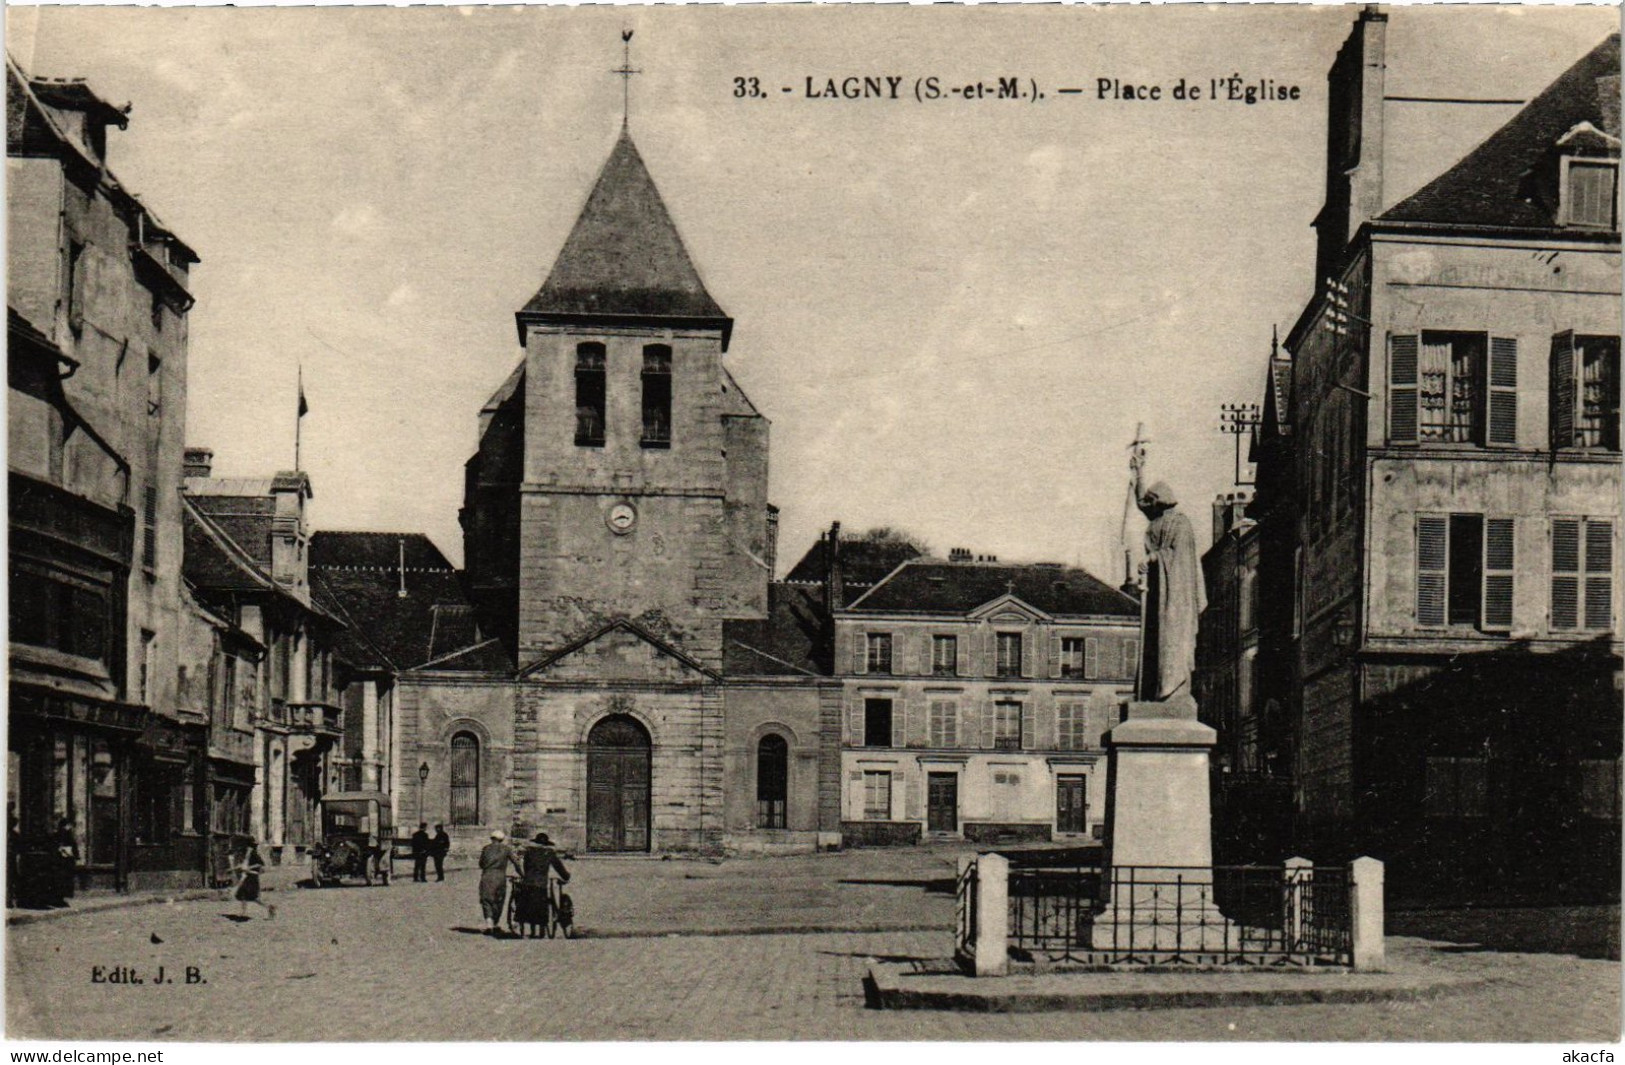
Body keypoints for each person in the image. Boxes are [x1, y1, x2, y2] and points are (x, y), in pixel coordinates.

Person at [1135, 479, 1206, 702]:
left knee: (1171, 637)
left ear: (1161, 501)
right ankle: (1155, 688)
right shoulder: (1157, 519)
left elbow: (1180, 557)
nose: (1148, 506)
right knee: (1154, 640)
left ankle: (1172, 688)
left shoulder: (1180, 524)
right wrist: (1139, 472)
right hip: (1158, 591)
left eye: (1152, 501)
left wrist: (1154, 557)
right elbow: (1140, 503)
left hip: (1175, 595)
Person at [513, 832, 569, 938]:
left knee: (528, 903)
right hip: (541, 883)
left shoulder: (529, 852)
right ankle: (541, 930)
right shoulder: (549, 853)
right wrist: (566, 876)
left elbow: (526, 866)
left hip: (528, 882)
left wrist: (527, 876)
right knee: (541, 905)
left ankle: (532, 930)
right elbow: (559, 867)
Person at [476, 830, 519, 935]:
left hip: (487, 876)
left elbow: (481, 864)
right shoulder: (506, 849)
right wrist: (522, 874)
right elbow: (516, 862)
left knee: (486, 900)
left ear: (492, 838)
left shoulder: (486, 849)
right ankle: (495, 923)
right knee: (498, 900)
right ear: (502, 839)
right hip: (500, 877)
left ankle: (489, 924)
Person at [233, 840, 275, 920]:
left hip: (252, 877)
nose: (248, 848)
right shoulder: (249, 855)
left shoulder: (254, 854)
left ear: (251, 847)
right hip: (249, 876)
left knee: (250, 896)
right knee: (244, 895)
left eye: (249, 846)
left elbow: (261, 863)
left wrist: (249, 868)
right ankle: (244, 912)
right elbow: (245, 865)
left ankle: (269, 907)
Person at [52, 818, 78, 907]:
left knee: (63, 881)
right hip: (63, 862)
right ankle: (59, 899)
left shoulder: (64, 836)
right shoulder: (64, 836)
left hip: (64, 862)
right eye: (68, 825)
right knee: (62, 881)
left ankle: (60, 898)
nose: (69, 827)